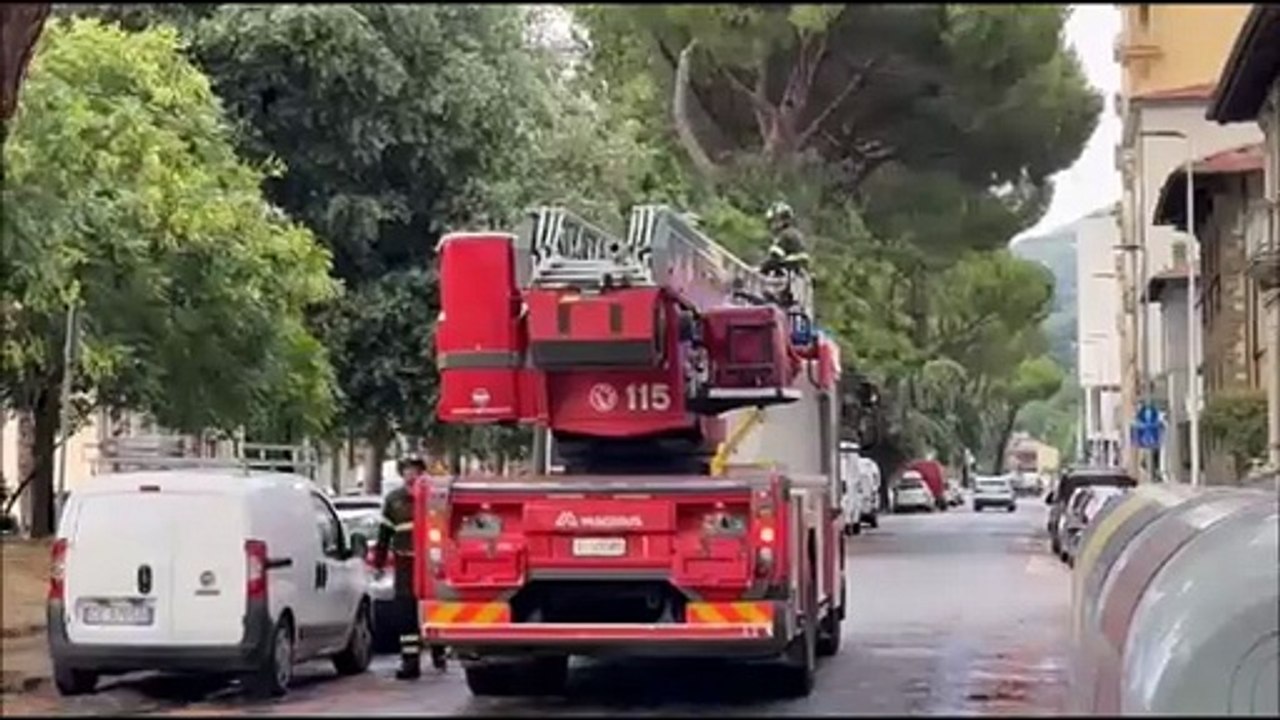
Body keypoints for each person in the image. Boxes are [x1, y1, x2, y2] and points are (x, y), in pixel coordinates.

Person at [373, 456, 446, 678]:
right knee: (405, 613)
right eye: (406, 470)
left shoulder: (434, 499)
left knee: (435, 608)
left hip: (431, 563)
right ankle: (410, 662)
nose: (410, 474)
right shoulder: (394, 500)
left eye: (414, 470)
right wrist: (379, 562)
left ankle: (438, 650)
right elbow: (384, 534)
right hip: (405, 562)